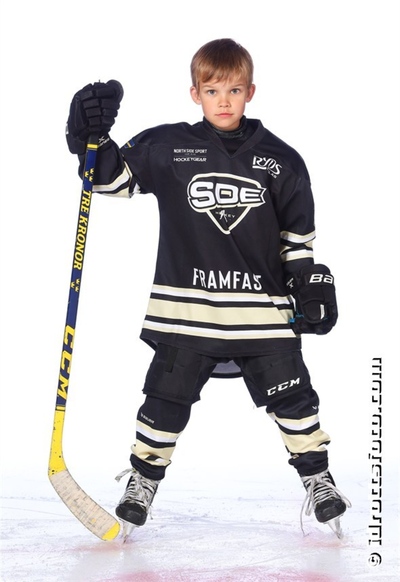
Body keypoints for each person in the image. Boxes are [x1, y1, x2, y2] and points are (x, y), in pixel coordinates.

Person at [66, 38, 351, 537]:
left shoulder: (283, 160)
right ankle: (143, 479)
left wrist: (309, 283)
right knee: (164, 401)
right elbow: (107, 180)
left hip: (262, 312)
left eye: (234, 90)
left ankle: (318, 479)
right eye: (213, 90)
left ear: (250, 92)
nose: (224, 100)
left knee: (295, 400)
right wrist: (89, 136)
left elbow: (297, 241)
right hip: (187, 309)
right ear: (195, 93)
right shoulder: (168, 147)